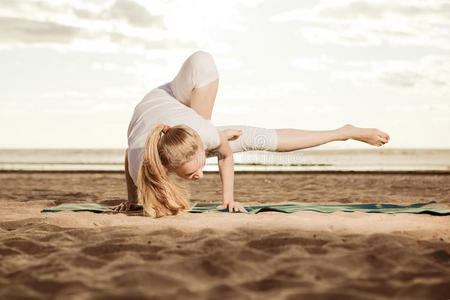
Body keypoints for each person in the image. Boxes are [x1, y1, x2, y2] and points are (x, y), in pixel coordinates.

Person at [114, 50, 390, 218]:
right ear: (166, 164)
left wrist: (228, 200)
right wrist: (132, 201)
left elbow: (224, 156)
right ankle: (220, 135)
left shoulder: (205, 134)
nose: (199, 176)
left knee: (203, 61)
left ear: (200, 146)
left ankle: (344, 132)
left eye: (196, 169)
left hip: (175, 94)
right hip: (168, 111)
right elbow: (130, 155)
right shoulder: (145, 157)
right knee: (253, 139)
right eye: (191, 174)